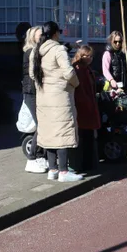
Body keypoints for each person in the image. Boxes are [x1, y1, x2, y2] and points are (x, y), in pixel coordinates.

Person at [31, 21, 84, 183]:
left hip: (43, 97)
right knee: (62, 132)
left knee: (49, 133)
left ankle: (53, 169)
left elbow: (32, 75)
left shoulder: (36, 51)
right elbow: (69, 72)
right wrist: (76, 84)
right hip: (60, 97)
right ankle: (63, 171)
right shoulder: (58, 50)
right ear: (55, 33)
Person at [22, 26, 47, 173]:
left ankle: (40, 156)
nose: (43, 36)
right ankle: (32, 158)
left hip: (36, 92)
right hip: (31, 93)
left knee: (43, 124)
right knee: (42, 125)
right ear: (33, 37)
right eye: (40, 35)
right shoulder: (31, 52)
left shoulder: (37, 51)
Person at [72, 45, 100, 173]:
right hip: (83, 108)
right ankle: (84, 164)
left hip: (88, 106)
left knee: (88, 136)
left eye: (90, 56)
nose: (89, 58)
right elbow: (80, 91)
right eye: (86, 55)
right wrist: (88, 103)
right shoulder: (79, 69)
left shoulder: (86, 69)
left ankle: (89, 163)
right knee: (83, 136)